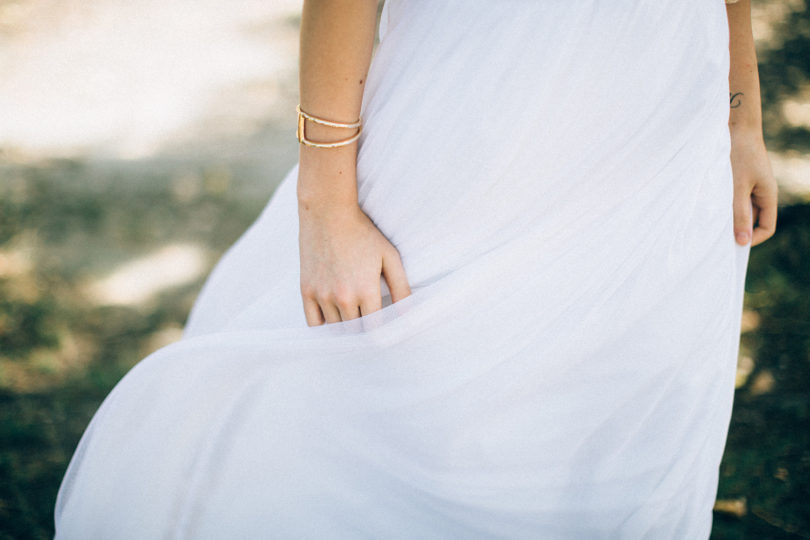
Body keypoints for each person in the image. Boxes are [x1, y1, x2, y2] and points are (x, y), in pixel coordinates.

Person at [53, 0, 778, 538]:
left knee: (618, 441)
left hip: (666, 146)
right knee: (400, 429)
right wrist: (325, 202)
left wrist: (740, 117)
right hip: (472, 144)